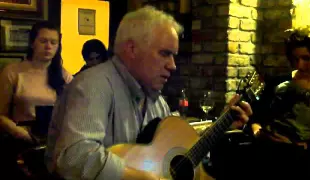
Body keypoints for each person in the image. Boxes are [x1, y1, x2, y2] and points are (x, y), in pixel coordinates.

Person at [45, 6, 253, 180]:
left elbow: (177, 152)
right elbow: (72, 158)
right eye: (165, 54)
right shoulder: (93, 85)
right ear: (132, 49)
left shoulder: (156, 102)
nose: (172, 65)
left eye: (173, 56)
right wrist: (141, 177)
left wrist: (222, 126)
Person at [0, 21, 73, 177]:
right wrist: (19, 132)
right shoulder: (12, 72)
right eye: (43, 41)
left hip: (53, 142)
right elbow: (1, 114)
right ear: (33, 43)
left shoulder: (63, 75)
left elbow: (75, 109)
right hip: (21, 140)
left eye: (54, 42)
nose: (48, 46)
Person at [248, 26, 310, 180]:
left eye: (307, 58)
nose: (299, 65)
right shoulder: (279, 82)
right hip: (264, 156)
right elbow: (255, 117)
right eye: (295, 59)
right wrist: (258, 133)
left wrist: (300, 147)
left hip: (304, 164)